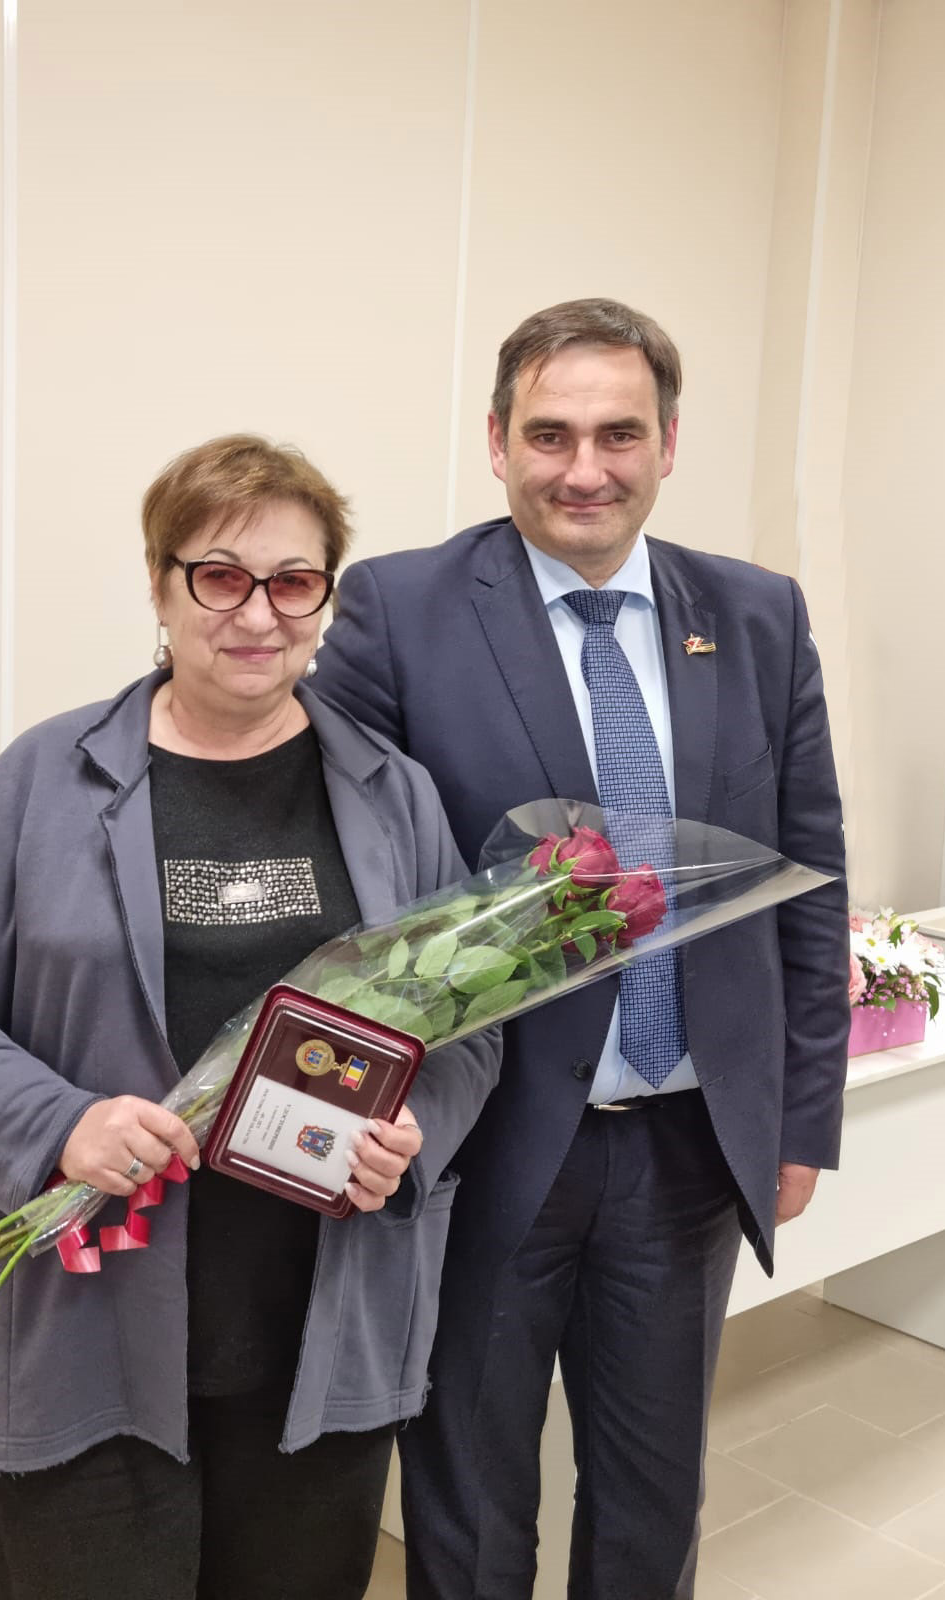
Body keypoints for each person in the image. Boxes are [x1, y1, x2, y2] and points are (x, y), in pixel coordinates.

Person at [0, 434, 501, 1600]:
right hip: (87, 1325)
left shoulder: (392, 795)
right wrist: (60, 1126)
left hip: (318, 1329)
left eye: (293, 580)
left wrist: (411, 1139)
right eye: (219, 575)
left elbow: (466, 1026)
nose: (257, 613)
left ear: (324, 601)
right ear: (161, 587)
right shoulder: (41, 780)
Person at [314, 299, 850, 1599]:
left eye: (619, 434)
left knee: (652, 1505)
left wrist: (801, 1117)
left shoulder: (759, 614)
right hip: (487, 1144)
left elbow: (812, 873)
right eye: (550, 434)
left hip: (688, 1149)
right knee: (470, 1507)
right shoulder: (401, 609)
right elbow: (347, 888)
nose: (585, 469)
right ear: (497, 441)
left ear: (669, 443)